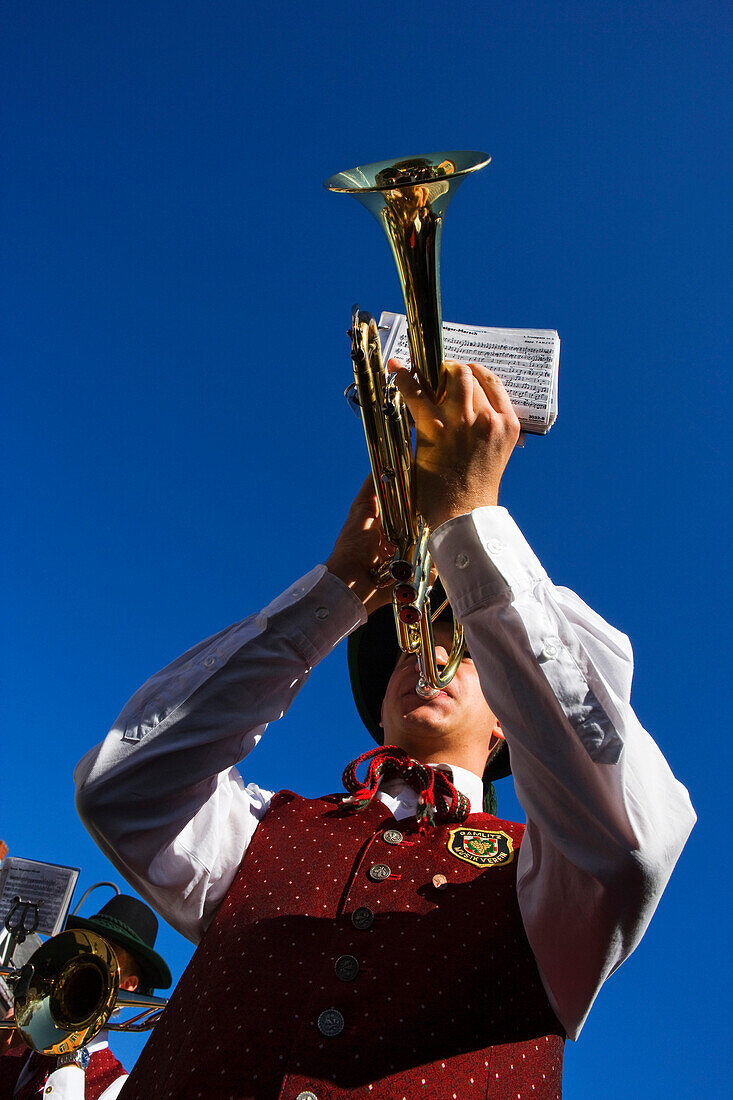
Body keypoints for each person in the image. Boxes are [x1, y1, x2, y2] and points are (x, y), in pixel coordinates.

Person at [74, 359, 695, 1099]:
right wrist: (338, 591)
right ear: (378, 711)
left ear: (509, 720)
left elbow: (634, 840)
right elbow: (121, 785)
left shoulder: (551, 870)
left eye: (462, 652)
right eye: (407, 648)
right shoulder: (265, 828)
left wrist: (472, 520)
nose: (427, 656)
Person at [0, 895, 171, 1100]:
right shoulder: (23, 1045)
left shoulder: (118, 1086)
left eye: (104, 958)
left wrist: (70, 1051)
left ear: (127, 985)